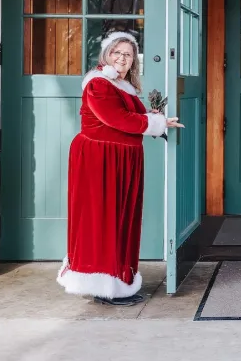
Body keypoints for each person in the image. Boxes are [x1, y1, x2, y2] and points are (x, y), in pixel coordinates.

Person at [57, 31, 183, 306]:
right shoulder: (98, 85)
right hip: (99, 159)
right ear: (106, 55)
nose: (123, 58)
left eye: (128, 54)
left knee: (121, 218)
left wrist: (161, 122)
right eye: (117, 53)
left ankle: (117, 279)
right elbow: (117, 119)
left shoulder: (124, 86)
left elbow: (135, 117)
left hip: (121, 158)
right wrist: (154, 124)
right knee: (101, 219)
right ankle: (102, 283)